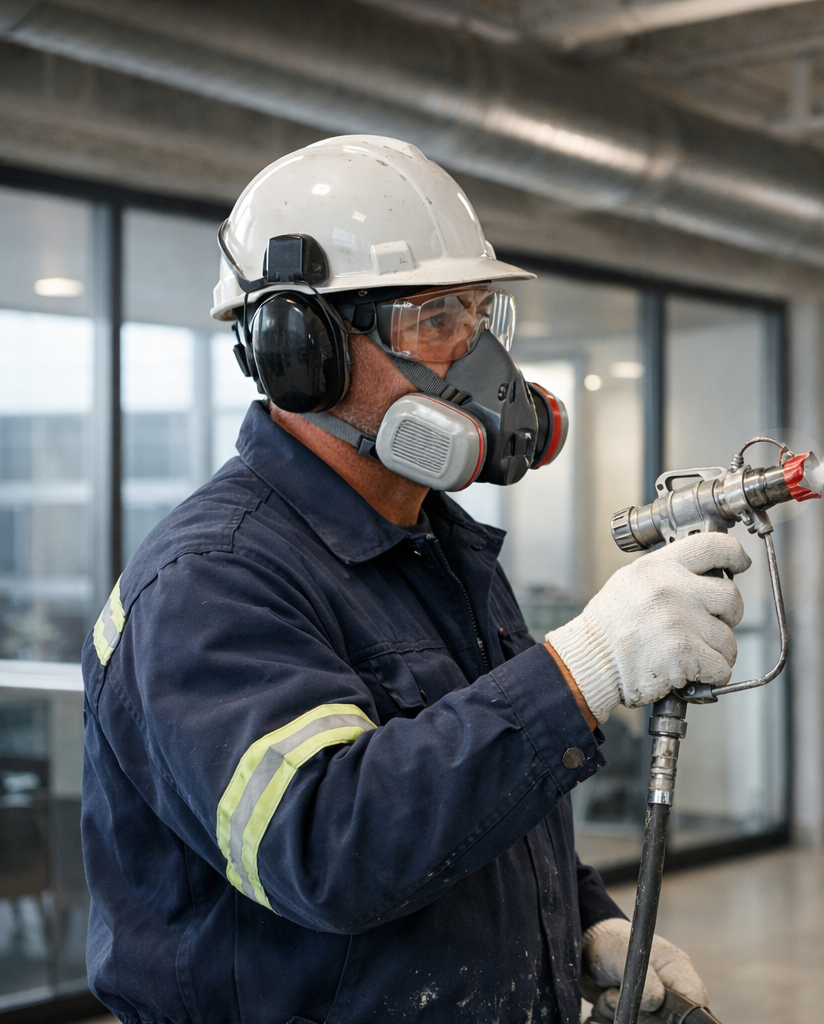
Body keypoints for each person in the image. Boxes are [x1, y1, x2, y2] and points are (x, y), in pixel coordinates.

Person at [79, 135, 746, 1024]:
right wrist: (582, 670)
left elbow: (477, 805)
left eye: (480, 317)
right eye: (436, 320)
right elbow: (323, 845)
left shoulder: (439, 546)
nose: (477, 361)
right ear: (299, 351)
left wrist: (585, 920)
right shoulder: (210, 583)